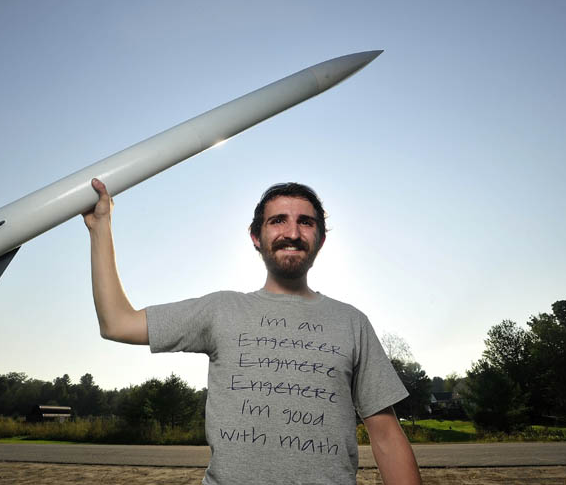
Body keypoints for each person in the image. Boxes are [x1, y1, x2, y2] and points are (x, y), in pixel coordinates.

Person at [83, 179, 421, 485]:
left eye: (305, 221)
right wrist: (101, 227)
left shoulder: (352, 322)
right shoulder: (220, 310)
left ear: (320, 239)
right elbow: (117, 322)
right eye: (278, 221)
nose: (292, 232)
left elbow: (387, 436)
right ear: (256, 237)